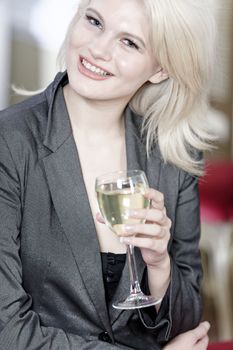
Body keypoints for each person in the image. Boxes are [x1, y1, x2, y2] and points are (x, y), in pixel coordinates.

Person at [0, 0, 216, 349]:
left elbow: (189, 325)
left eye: (129, 42)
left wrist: (160, 266)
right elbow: (6, 330)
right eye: (94, 21)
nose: (97, 49)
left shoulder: (174, 156)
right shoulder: (8, 143)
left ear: (160, 69)